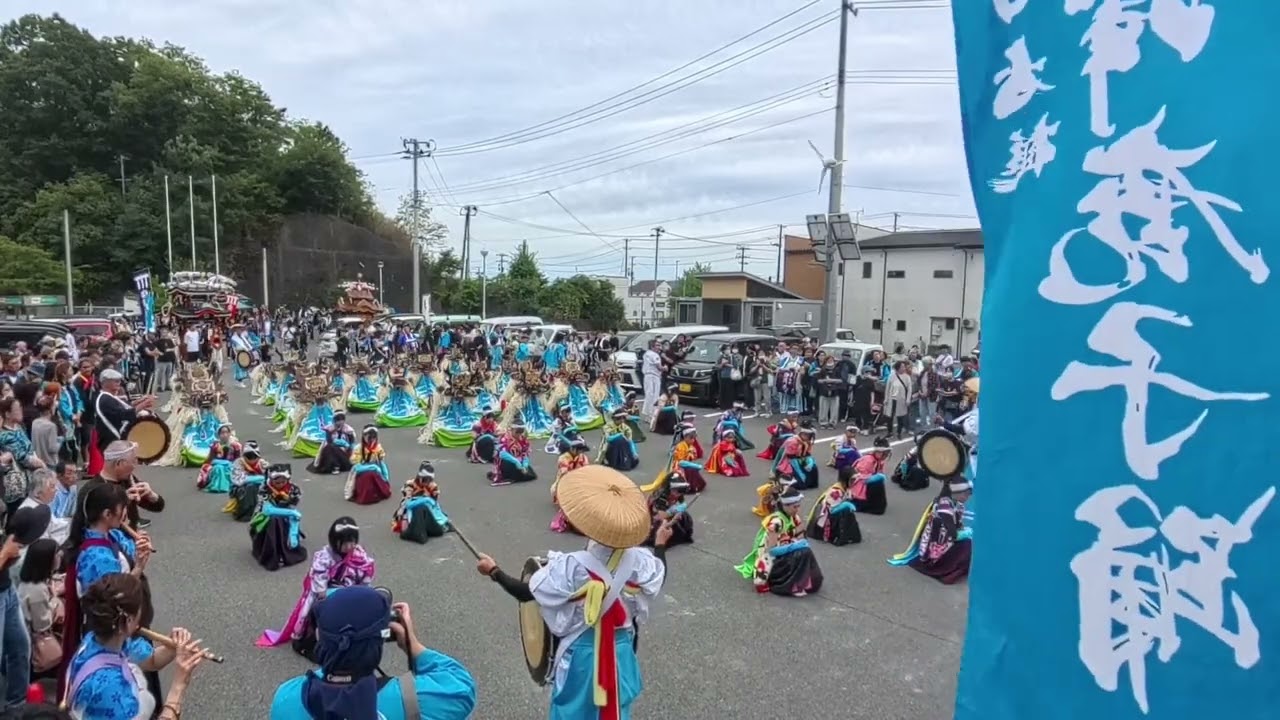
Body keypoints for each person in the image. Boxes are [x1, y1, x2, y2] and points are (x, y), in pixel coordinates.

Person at [475, 466, 669, 720]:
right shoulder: (641, 561)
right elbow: (659, 574)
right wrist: (660, 544)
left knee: (574, 713)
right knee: (616, 710)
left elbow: (526, 593)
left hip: (583, 656)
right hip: (621, 652)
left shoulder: (572, 567)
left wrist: (494, 571)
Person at [268, 586, 477, 720]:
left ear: (320, 641)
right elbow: (461, 683)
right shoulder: (412, 699)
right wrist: (411, 643)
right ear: (381, 641)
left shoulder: (287, 698)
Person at [63, 573, 203, 720]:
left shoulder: (100, 640)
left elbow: (152, 661)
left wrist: (173, 648)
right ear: (129, 620)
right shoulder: (111, 690)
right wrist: (178, 686)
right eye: (139, 612)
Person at [258, 517, 377, 658]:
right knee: (313, 614)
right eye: (344, 543)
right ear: (334, 541)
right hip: (327, 592)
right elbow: (319, 574)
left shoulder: (358, 554)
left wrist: (363, 590)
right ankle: (313, 643)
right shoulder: (325, 555)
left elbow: (366, 570)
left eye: (352, 541)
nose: (349, 546)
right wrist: (322, 590)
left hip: (349, 591)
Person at [735, 485, 824, 596]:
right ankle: (790, 584)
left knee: (805, 551)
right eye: (795, 507)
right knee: (803, 552)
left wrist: (800, 540)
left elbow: (800, 535)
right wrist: (793, 546)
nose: (797, 510)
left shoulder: (795, 518)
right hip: (774, 560)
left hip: (786, 551)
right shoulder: (776, 523)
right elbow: (771, 550)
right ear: (785, 505)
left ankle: (804, 581)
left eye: (798, 506)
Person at [888, 480, 973, 584]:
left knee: (970, 543)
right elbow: (952, 535)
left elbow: (958, 526)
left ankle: (952, 569)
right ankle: (946, 572)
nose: (967, 497)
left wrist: (964, 531)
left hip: (945, 540)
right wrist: (967, 534)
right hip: (935, 548)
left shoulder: (957, 505)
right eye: (966, 494)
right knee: (969, 546)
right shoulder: (944, 507)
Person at [83, 440, 164, 533]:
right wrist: (120, 503)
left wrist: (152, 496)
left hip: (130, 540)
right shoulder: (91, 490)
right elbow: (85, 529)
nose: (135, 466)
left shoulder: (127, 480)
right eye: (133, 461)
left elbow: (158, 507)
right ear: (119, 463)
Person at [250, 464, 306, 571]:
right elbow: (267, 510)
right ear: (271, 480)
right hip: (265, 517)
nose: (280, 485)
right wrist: (290, 512)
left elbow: (293, 505)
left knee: (282, 523)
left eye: (283, 482)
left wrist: (293, 532)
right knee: (274, 520)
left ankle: (285, 552)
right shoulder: (264, 488)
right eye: (277, 482)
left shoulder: (294, 489)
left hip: (287, 517)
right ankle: (271, 553)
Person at [19, 537, 63, 675]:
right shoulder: (37, 590)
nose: (60, 557)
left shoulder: (28, 583)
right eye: (57, 555)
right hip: (33, 646)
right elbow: (42, 624)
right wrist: (56, 603)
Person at [392, 462, 451, 545]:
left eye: (429, 480)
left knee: (430, 513)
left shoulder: (433, 486)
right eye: (425, 479)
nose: (427, 482)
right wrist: (425, 499)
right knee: (418, 510)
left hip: (428, 511)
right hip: (411, 510)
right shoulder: (410, 484)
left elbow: (434, 503)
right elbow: (408, 504)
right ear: (419, 477)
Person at [805, 465, 862, 546]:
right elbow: (831, 510)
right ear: (845, 480)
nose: (854, 482)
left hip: (829, 516)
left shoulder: (845, 488)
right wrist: (844, 505)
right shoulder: (836, 491)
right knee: (845, 512)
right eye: (852, 480)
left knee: (847, 511)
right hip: (824, 521)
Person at [643, 471, 693, 547]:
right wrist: (674, 510)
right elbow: (661, 515)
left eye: (682, 491)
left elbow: (681, 505)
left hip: (669, 510)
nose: (679, 494)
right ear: (670, 488)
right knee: (663, 524)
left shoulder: (679, 492)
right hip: (656, 514)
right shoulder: (662, 496)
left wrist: (679, 513)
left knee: (685, 517)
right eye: (677, 491)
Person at [550, 439, 590, 534]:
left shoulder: (583, 457)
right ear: (572, 449)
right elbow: (565, 475)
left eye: (582, 450)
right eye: (579, 450)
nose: (581, 452)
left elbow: (587, 471)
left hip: (579, 482)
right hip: (565, 483)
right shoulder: (563, 458)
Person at [345, 426, 392, 505]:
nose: (372, 440)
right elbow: (357, 467)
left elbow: (382, 464)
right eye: (369, 437)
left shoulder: (378, 448)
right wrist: (372, 467)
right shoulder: (358, 448)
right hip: (361, 473)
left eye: (374, 437)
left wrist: (385, 478)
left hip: (376, 473)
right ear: (364, 437)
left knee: (374, 476)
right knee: (368, 476)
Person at [848, 436, 891, 515]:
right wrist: (872, 478)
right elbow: (857, 477)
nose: (886, 455)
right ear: (878, 452)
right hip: (859, 486)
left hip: (867, 483)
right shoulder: (868, 460)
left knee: (879, 481)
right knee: (877, 482)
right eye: (885, 453)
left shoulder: (878, 461)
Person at [197, 423, 241, 493]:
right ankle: (217, 486)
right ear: (219, 435)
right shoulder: (215, 446)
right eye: (222, 433)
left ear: (230, 433)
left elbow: (238, 460)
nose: (225, 435)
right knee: (219, 468)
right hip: (217, 466)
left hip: (230, 467)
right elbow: (210, 459)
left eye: (227, 432)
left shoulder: (235, 446)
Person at [309, 411, 356, 475]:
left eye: (342, 419)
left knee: (332, 448)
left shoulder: (348, 430)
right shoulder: (329, 429)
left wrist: (345, 445)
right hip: (332, 450)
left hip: (344, 453)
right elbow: (329, 441)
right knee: (330, 448)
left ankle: (336, 466)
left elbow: (351, 444)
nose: (340, 422)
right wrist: (336, 442)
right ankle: (334, 466)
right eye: (338, 420)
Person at [640, 340, 663, 418]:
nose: (659, 347)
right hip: (654, 376)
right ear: (652, 347)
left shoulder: (646, 353)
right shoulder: (655, 355)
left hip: (647, 376)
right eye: (657, 345)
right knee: (654, 395)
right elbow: (659, 367)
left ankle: (647, 413)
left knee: (649, 395)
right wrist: (665, 368)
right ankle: (652, 414)